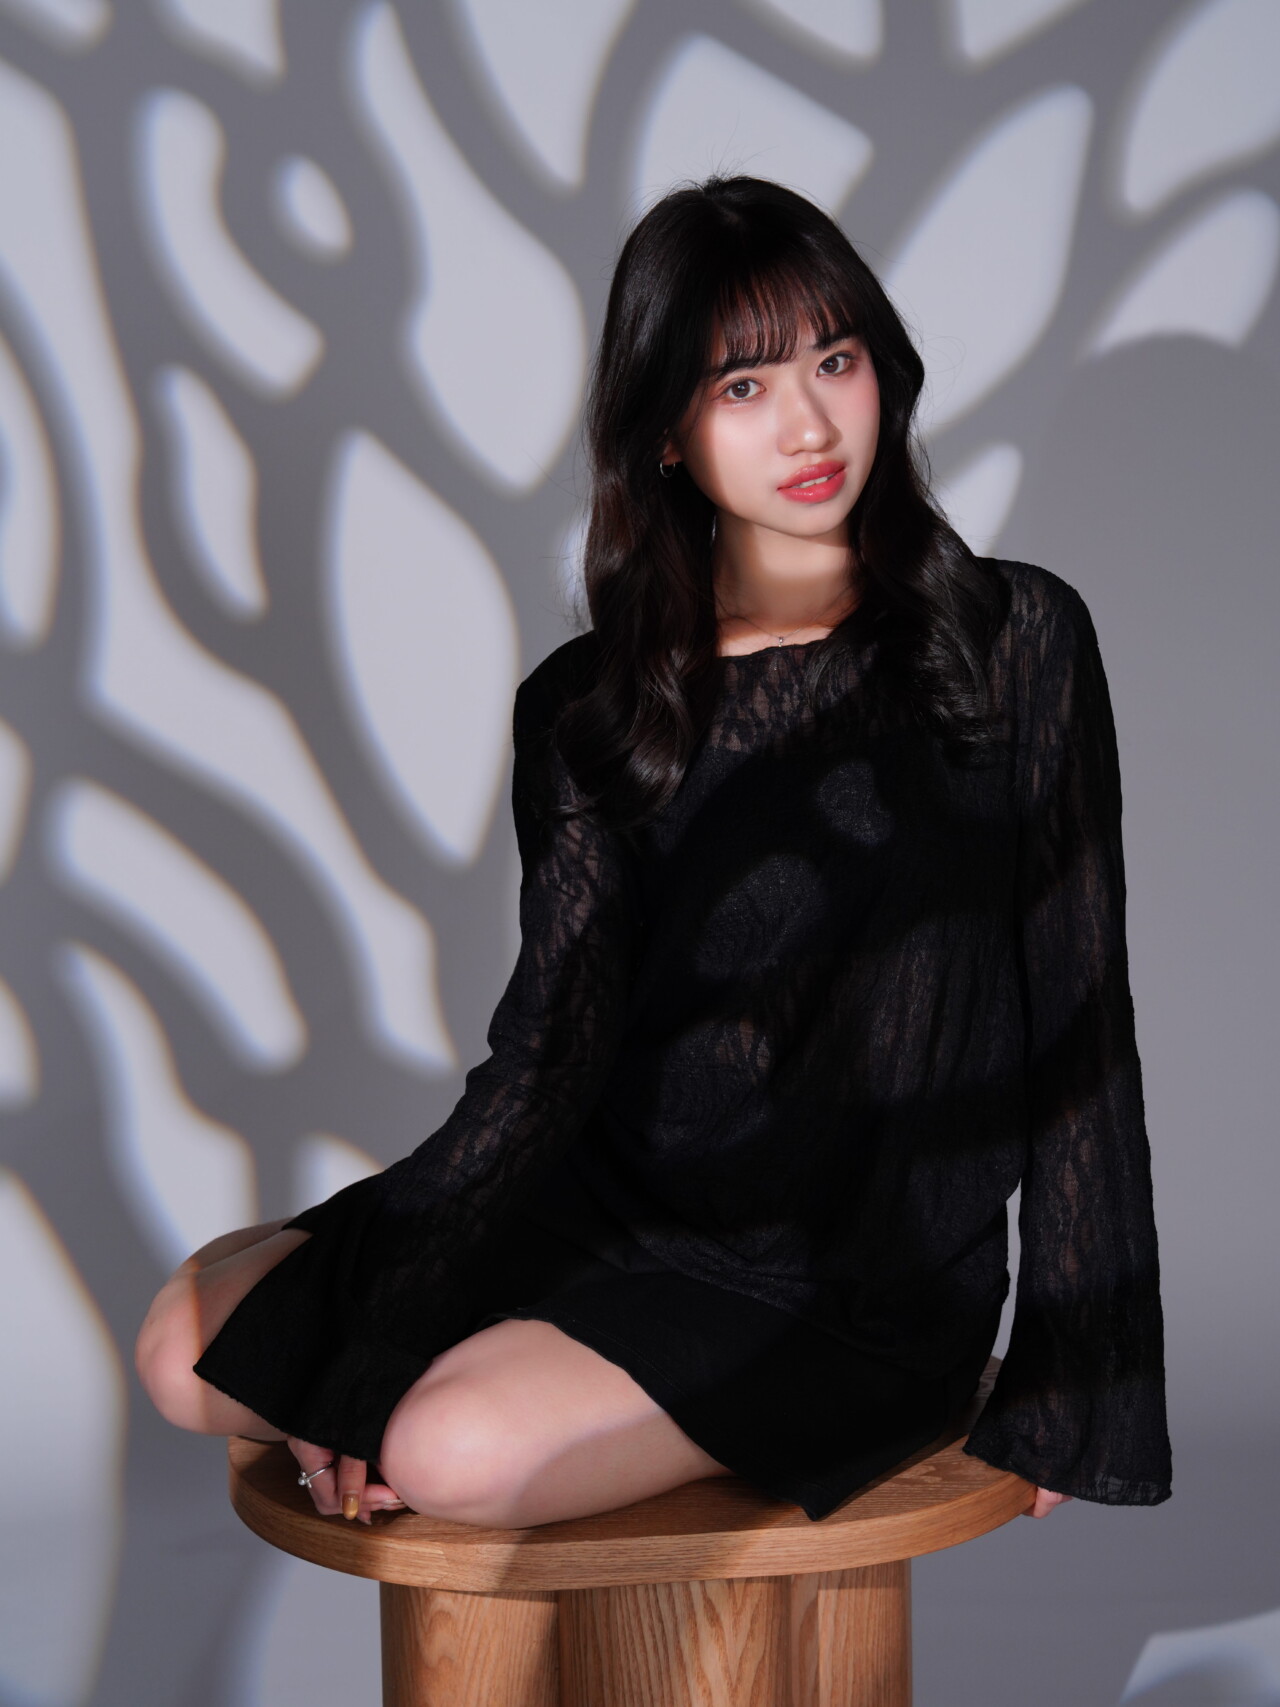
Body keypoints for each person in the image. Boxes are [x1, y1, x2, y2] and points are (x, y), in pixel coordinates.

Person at [135, 175, 1172, 1531]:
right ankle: (397, 1295)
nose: (809, 425)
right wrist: (367, 1341)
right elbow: (550, 1052)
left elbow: (1080, 1010)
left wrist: (1078, 1377)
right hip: (595, 1196)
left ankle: (459, 1365)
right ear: (668, 435)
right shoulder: (591, 706)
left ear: (883, 369)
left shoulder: (1014, 640)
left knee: (447, 1454)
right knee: (181, 1354)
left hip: (843, 1278)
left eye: (835, 362)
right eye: (742, 387)